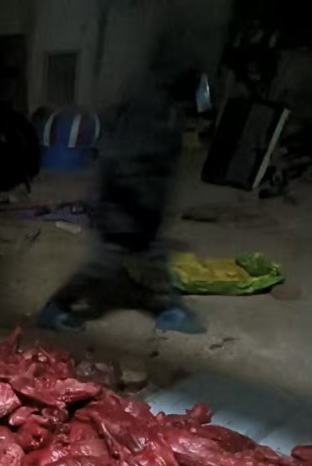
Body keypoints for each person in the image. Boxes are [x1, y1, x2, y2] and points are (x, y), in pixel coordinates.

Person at [38, 32, 212, 335]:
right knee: (106, 262)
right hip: (125, 200)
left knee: (152, 255)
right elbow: (128, 158)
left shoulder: (161, 99)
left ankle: (171, 309)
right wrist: (134, 203)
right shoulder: (151, 106)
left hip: (138, 200)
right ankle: (56, 308)